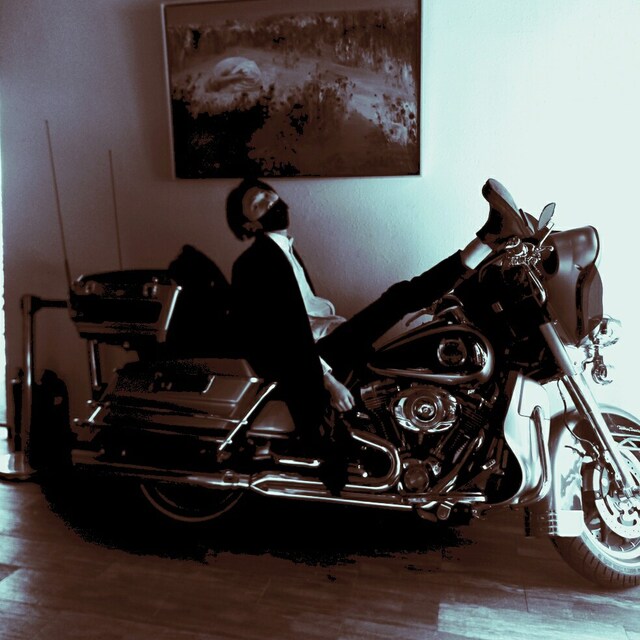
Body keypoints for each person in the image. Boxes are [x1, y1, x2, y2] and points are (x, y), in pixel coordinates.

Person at [227, 177, 529, 491]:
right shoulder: (253, 263)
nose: (269, 201)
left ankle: (490, 240)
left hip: (323, 342)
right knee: (397, 299)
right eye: (257, 205)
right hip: (309, 359)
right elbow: (282, 337)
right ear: (249, 225)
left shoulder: (283, 251)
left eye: (267, 194)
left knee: (408, 331)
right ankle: (488, 238)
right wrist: (326, 381)